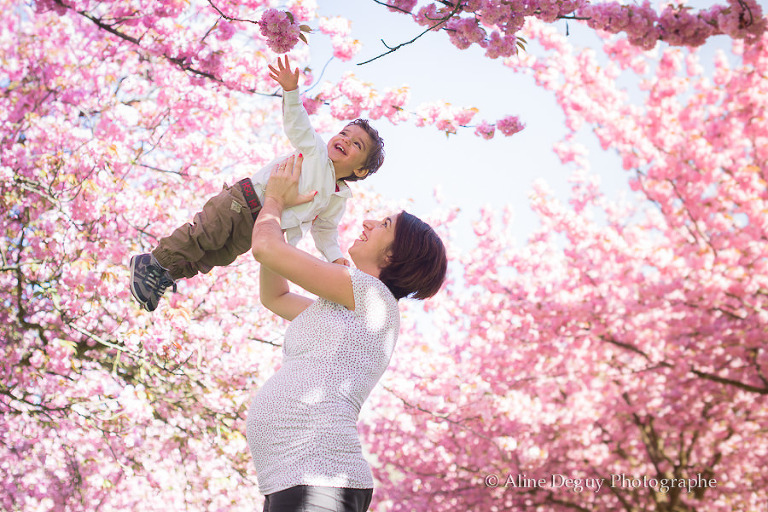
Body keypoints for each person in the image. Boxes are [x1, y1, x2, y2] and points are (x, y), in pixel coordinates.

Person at [247, 154, 447, 512]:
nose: (369, 221)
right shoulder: (349, 309)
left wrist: (275, 200)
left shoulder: (371, 296)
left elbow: (265, 248)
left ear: (393, 255)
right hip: (297, 479)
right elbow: (275, 296)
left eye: (385, 224)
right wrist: (289, 220)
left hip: (318, 477)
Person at [129, 56, 385, 311]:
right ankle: (152, 263)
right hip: (244, 201)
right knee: (205, 235)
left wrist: (334, 257)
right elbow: (299, 126)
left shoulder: (337, 197)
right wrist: (290, 91)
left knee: (216, 255)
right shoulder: (315, 152)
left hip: (261, 227)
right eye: (344, 134)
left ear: (360, 169)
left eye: (356, 145)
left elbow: (325, 230)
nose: (345, 141)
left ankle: (164, 275)